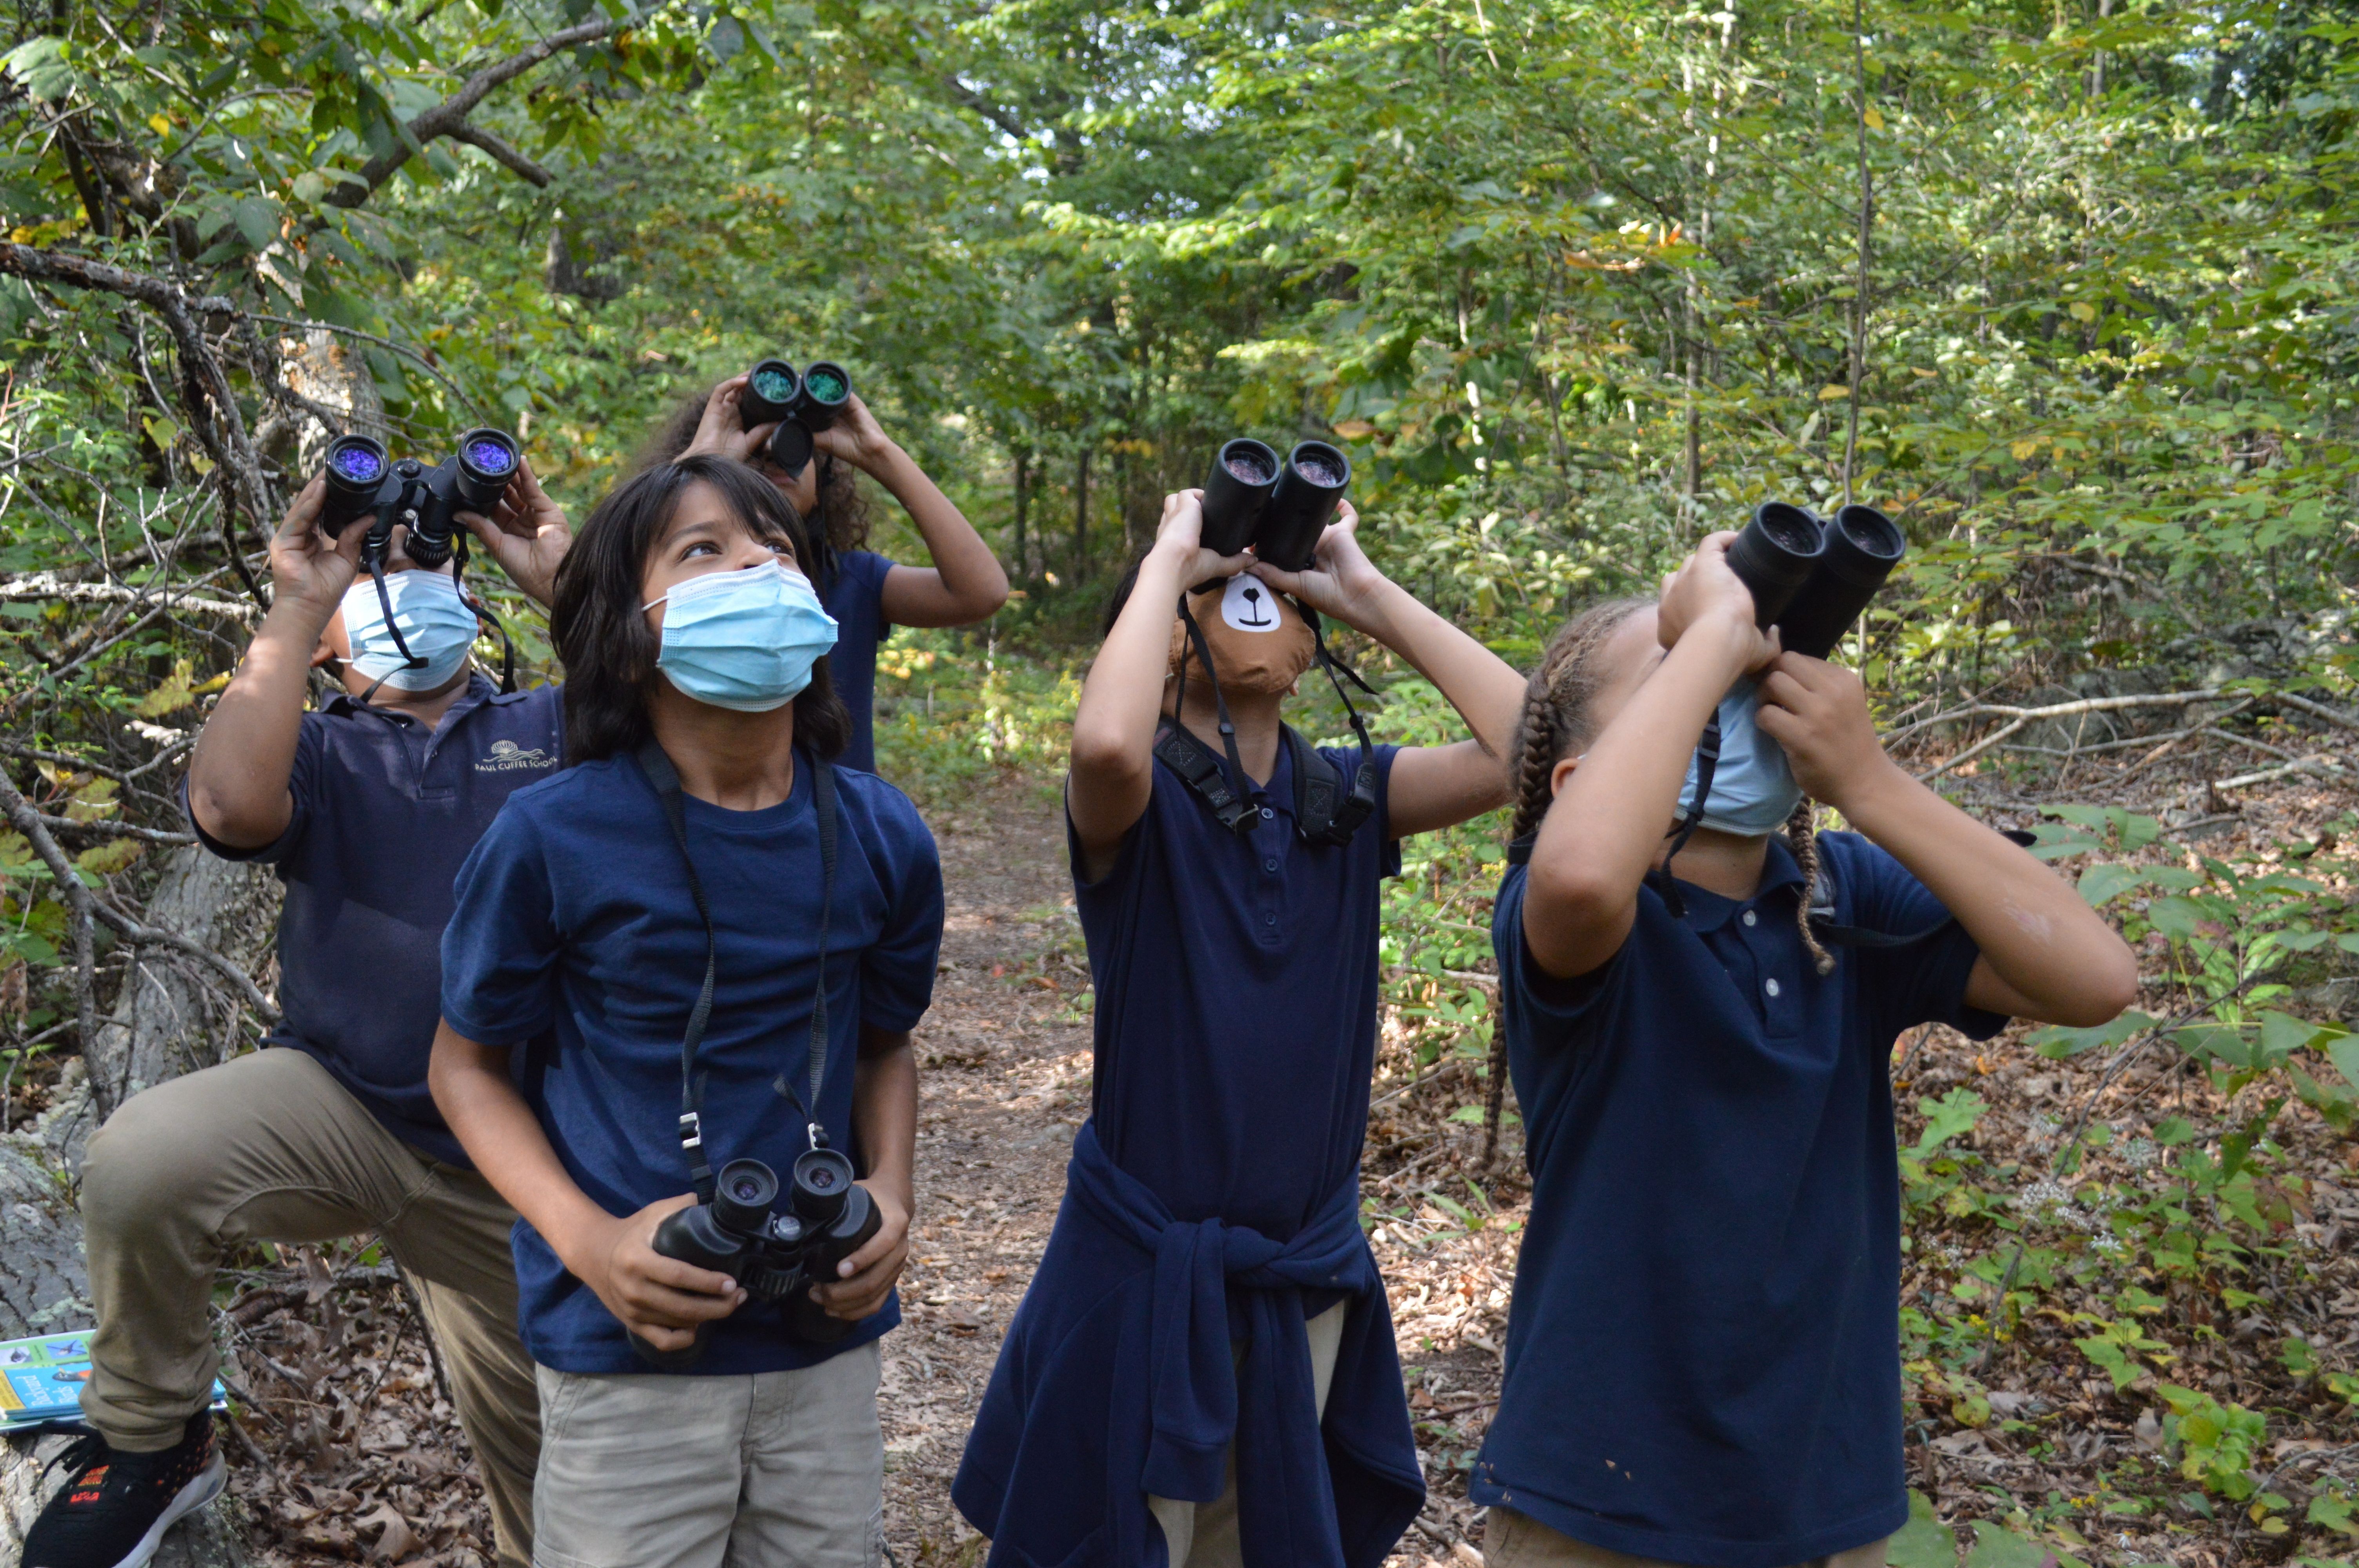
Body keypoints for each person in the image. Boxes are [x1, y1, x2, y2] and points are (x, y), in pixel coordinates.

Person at [1470, 535, 2140, 1568]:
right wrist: (1712, 634)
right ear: (1578, 778)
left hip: (1818, 1495)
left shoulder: (1844, 899)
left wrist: (1869, 782)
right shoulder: (1581, 914)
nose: (1730, 678)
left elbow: (2097, 979)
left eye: (1748, 663)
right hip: (1600, 1498)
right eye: (1680, 670)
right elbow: (1582, 879)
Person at [953, 488, 1529, 1568]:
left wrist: (1369, 594)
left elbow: (1532, 754)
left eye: (1272, 584)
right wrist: (1175, 552)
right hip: (1138, 1273)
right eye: (1220, 586)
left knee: (1247, 1543)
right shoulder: (1143, 799)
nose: (1248, 593)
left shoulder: (1349, 796)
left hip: (1301, 1280)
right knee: (1110, 1537)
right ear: (1163, 633)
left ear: (1315, 648)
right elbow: (1109, 751)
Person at [22, 456, 576, 1568]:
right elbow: (229, 805)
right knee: (141, 1160)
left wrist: (568, 579)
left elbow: (688, 709)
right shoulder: (317, 747)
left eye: (435, 566)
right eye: (383, 566)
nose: (411, 582)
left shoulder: (556, 729)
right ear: (327, 644)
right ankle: (151, 1441)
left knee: (557, 1474)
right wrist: (297, 598)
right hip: (344, 1105)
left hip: (519, 1163)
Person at [427, 454, 944, 1567]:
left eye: (779, 548)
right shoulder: (551, 837)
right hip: (626, 1354)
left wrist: (890, 1196)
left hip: (824, 1343)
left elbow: (885, 1044)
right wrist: (594, 1243)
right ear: (633, 626)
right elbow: (464, 1070)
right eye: (705, 549)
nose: (759, 563)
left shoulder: (882, 831)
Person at [640, 374, 1009, 771]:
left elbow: (981, 592)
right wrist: (699, 469)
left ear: (825, 481)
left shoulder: (853, 578)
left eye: (794, 445)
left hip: (836, 819)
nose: (774, 457)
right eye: (753, 451)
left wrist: (879, 452)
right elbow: (608, 586)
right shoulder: (680, 584)